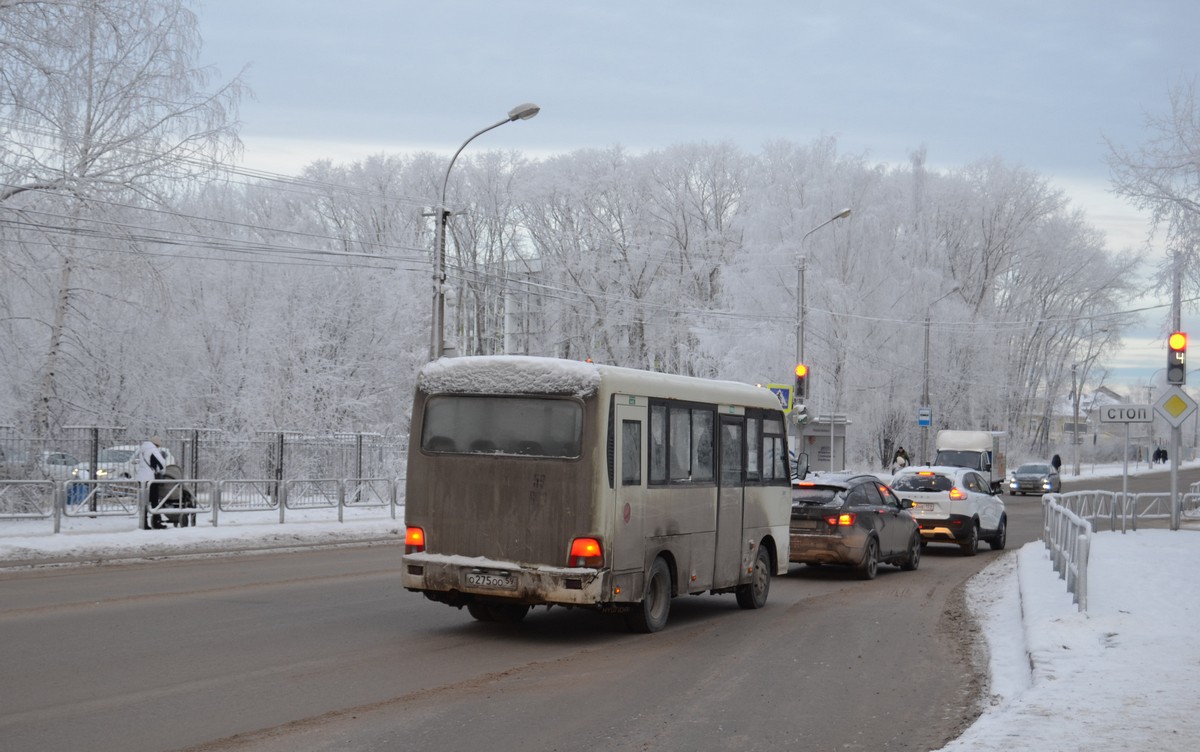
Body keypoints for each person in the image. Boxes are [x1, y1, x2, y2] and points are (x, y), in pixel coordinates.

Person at [137, 436, 167, 529]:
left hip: (141, 478)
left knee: (144, 502)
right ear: (157, 444)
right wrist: (162, 472)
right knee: (154, 501)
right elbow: (162, 463)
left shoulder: (142, 449)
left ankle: (144, 523)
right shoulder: (152, 449)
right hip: (150, 479)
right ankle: (156, 522)